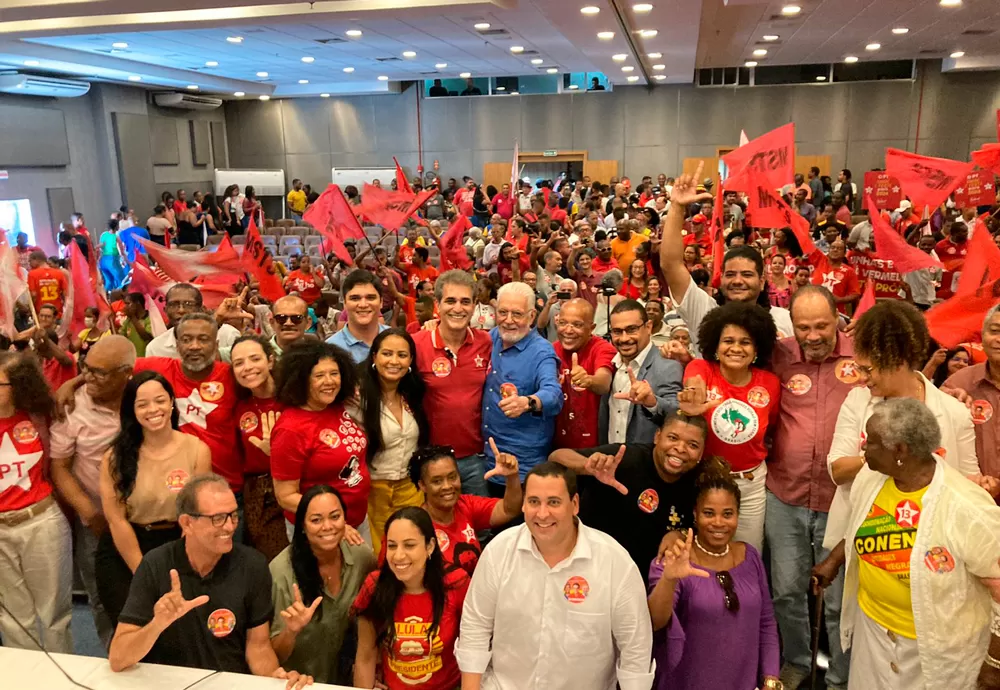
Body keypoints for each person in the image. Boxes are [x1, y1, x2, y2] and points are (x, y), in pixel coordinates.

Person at [813, 399, 1000, 689]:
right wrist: (834, 559)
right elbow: (859, 524)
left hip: (936, 653)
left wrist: (995, 663)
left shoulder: (966, 506)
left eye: (871, 442)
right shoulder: (871, 478)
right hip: (872, 634)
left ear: (899, 450)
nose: (863, 449)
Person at [455, 462, 654, 688]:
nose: (542, 513)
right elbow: (475, 628)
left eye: (553, 502)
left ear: (575, 504)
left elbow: (635, 648)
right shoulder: (498, 551)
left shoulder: (614, 561)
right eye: (533, 502)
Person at [108, 475, 312, 688]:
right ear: (187, 523)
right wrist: (157, 624)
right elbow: (119, 658)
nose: (229, 526)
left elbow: (258, 647)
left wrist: (274, 677)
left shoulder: (252, 565)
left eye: (233, 515)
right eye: (218, 518)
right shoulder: (155, 565)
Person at [825, 300, 982, 550]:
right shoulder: (857, 401)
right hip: (866, 540)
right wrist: (876, 458)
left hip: (932, 544)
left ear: (896, 359)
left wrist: (983, 485)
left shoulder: (953, 411)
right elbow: (837, 470)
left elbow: (969, 481)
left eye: (868, 369)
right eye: (859, 368)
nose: (862, 378)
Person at [766, 286, 854, 689]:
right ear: (792, 324)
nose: (814, 335)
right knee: (785, 591)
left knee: (837, 602)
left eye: (822, 325)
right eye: (804, 327)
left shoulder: (862, 354)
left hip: (843, 500)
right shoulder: (778, 354)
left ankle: (840, 675)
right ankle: (798, 660)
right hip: (785, 494)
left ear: (839, 317)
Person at [96, 371, 212, 625]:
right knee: (134, 629)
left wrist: (180, 565)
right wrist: (145, 575)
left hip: (179, 544)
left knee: (179, 628)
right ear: (132, 411)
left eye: (160, 400)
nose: (153, 409)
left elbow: (196, 515)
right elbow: (117, 521)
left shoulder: (197, 450)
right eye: (142, 404)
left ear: (172, 402)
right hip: (127, 549)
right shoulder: (114, 458)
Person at [647, 470, 780, 690]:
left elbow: (766, 622)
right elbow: (655, 622)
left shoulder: (751, 556)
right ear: (695, 515)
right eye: (709, 513)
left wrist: (770, 679)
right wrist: (669, 579)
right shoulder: (674, 559)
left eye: (727, 514)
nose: (718, 523)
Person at [550, 413, 713, 581]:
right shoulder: (624, 457)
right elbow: (557, 457)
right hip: (589, 568)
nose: (680, 448)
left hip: (644, 580)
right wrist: (588, 467)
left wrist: (681, 534)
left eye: (692, 445)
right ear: (657, 436)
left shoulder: (698, 483)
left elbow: (706, 528)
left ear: (701, 453)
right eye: (672, 438)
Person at [50, 336, 136, 648]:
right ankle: (115, 656)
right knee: (102, 597)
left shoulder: (144, 393)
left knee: (151, 591)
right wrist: (89, 513)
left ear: (126, 372)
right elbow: (59, 467)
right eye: (86, 369)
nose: (89, 378)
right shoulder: (70, 407)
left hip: (145, 517)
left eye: (99, 373)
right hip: (96, 520)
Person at [677, 301, 781, 552]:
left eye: (745, 342)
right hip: (705, 481)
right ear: (715, 345)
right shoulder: (702, 368)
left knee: (747, 553)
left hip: (751, 485)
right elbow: (694, 380)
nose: (736, 348)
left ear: (757, 348)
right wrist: (692, 394)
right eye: (728, 341)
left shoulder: (770, 383)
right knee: (703, 551)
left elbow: (772, 429)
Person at [661, 163, 793, 356]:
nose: (737, 281)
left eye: (747, 274)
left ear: (762, 280)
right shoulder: (704, 311)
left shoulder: (784, 319)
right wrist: (677, 206)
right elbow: (670, 264)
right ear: (721, 279)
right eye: (730, 274)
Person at [0, 352, 73, 653]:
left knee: (55, 614)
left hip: (41, 522)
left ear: (18, 386)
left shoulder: (40, 417)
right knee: (13, 618)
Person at [270, 485, 376, 685]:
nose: (327, 526)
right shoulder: (280, 572)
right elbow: (273, 657)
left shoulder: (362, 557)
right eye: (316, 520)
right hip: (300, 683)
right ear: (302, 525)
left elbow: (375, 623)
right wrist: (291, 631)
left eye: (335, 517)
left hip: (349, 680)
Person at [352, 506, 468, 689]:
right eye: (392, 545)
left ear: (430, 546)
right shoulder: (374, 586)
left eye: (409, 545)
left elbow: (473, 649)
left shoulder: (457, 583)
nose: (398, 555)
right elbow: (365, 656)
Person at [271, 341, 371, 542]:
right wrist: (334, 523)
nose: (329, 381)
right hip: (323, 531)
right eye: (319, 376)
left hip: (357, 521)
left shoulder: (335, 407)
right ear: (301, 380)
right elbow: (285, 496)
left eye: (334, 374)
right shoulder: (290, 429)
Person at [134, 314, 244, 496]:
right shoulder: (161, 368)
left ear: (216, 346)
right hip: (175, 490)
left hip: (227, 488)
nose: (194, 346)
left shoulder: (233, 376)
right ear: (177, 346)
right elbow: (112, 359)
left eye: (203, 339)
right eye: (187, 340)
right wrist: (73, 384)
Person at [413, 270, 492, 497]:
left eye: (465, 301)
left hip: (475, 458)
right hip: (431, 459)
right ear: (437, 304)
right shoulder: (417, 343)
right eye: (450, 301)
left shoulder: (486, 342)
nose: (458, 308)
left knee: (482, 530)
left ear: (475, 305)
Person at [481, 281, 562, 495]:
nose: (508, 321)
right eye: (503, 312)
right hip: (486, 459)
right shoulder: (491, 338)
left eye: (516, 314)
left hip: (523, 467)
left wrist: (527, 402)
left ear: (532, 316)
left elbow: (553, 394)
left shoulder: (541, 351)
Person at [357, 328, 429, 553]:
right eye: (387, 354)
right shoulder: (355, 397)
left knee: (410, 550)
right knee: (377, 556)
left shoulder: (412, 394)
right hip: (373, 491)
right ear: (374, 356)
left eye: (402, 355)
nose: (394, 361)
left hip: (410, 488)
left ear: (410, 361)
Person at [409, 444, 521, 579]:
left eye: (452, 477)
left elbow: (509, 509)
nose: (447, 486)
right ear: (422, 485)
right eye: (437, 481)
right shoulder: (414, 527)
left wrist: (512, 477)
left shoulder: (466, 505)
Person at [231, 335, 288, 561]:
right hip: (255, 493)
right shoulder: (240, 406)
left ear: (271, 361)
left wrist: (278, 454)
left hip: (291, 488)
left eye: (255, 359)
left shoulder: (293, 400)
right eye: (239, 363)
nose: (248, 368)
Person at [603, 300, 682, 444]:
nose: (624, 338)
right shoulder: (609, 365)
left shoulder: (668, 365)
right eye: (617, 331)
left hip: (645, 462)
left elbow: (678, 414)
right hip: (609, 459)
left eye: (632, 329)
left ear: (648, 327)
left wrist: (652, 403)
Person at [944, 305, 1000, 482]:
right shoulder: (960, 383)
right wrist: (943, 399)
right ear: (982, 336)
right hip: (970, 496)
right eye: (995, 331)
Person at [551, 298, 616, 449]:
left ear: (591, 327)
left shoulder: (602, 348)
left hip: (592, 448)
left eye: (577, 325)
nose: (568, 330)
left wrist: (589, 380)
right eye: (562, 323)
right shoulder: (551, 350)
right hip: (554, 444)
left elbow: (604, 382)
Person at [146, 283, 240, 359]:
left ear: (201, 309)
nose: (181, 310)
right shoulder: (155, 348)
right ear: (165, 310)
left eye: (188, 304)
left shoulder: (228, 335)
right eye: (174, 304)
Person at [326, 270, 387, 364]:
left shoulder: (397, 341)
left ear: (381, 302)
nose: (363, 304)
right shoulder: (330, 349)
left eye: (370, 298)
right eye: (355, 298)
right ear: (345, 304)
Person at [27, 250, 69, 318]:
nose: (29, 264)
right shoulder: (59, 273)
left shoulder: (32, 274)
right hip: (57, 312)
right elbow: (65, 294)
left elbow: (34, 295)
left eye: (30, 261)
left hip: (41, 313)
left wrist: (30, 309)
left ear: (36, 259)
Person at [120, 293, 153, 357]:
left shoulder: (150, 318)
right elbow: (121, 337)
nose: (125, 306)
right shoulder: (128, 320)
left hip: (146, 359)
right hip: (133, 360)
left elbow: (146, 337)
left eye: (128, 303)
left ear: (137, 303)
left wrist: (132, 317)